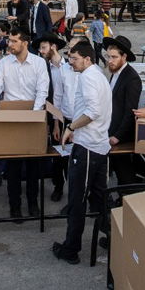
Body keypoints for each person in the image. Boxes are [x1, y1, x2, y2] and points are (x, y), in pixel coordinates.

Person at [51, 40, 113, 264]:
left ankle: (71, 249)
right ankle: (113, 237)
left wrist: (71, 127)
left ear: (87, 59)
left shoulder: (88, 77)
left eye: (75, 59)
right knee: (99, 197)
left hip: (88, 146)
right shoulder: (97, 75)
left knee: (78, 199)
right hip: (98, 145)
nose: (71, 62)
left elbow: (94, 111)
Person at [0, 27, 50, 221]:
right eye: (9, 40)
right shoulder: (4, 63)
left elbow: (42, 91)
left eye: (14, 41)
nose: (9, 44)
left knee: (33, 166)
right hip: (11, 119)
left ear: (25, 42)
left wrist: (34, 115)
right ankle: (15, 206)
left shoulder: (39, 63)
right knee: (12, 166)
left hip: (33, 119)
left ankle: (33, 203)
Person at [38, 32, 74, 204]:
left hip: (67, 116)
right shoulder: (43, 67)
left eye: (44, 47)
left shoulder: (67, 68)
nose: (41, 51)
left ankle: (72, 190)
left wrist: (59, 124)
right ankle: (58, 186)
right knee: (56, 155)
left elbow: (63, 97)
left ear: (53, 47)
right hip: (52, 116)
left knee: (68, 154)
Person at [103, 35, 143, 187]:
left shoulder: (132, 78)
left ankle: (126, 201)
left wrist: (117, 136)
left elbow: (130, 111)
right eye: (108, 56)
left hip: (122, 136)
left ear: (124, 56)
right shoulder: (115, 73)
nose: (110, 60)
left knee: (125, 173)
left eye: (114, 57)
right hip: (111, 131)